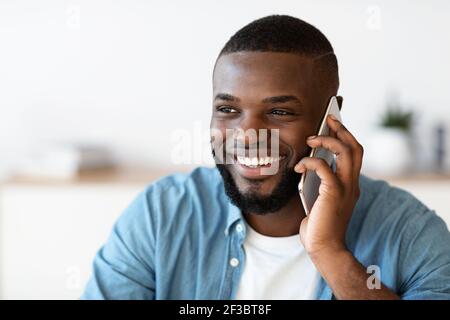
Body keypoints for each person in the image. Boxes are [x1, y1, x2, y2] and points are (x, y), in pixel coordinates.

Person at [82, 15, 450, 300]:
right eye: (228, 109)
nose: (248, 135)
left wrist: (330, 253)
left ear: (331, 120)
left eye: (280, 113)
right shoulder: (161, 213)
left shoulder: (410, 232)